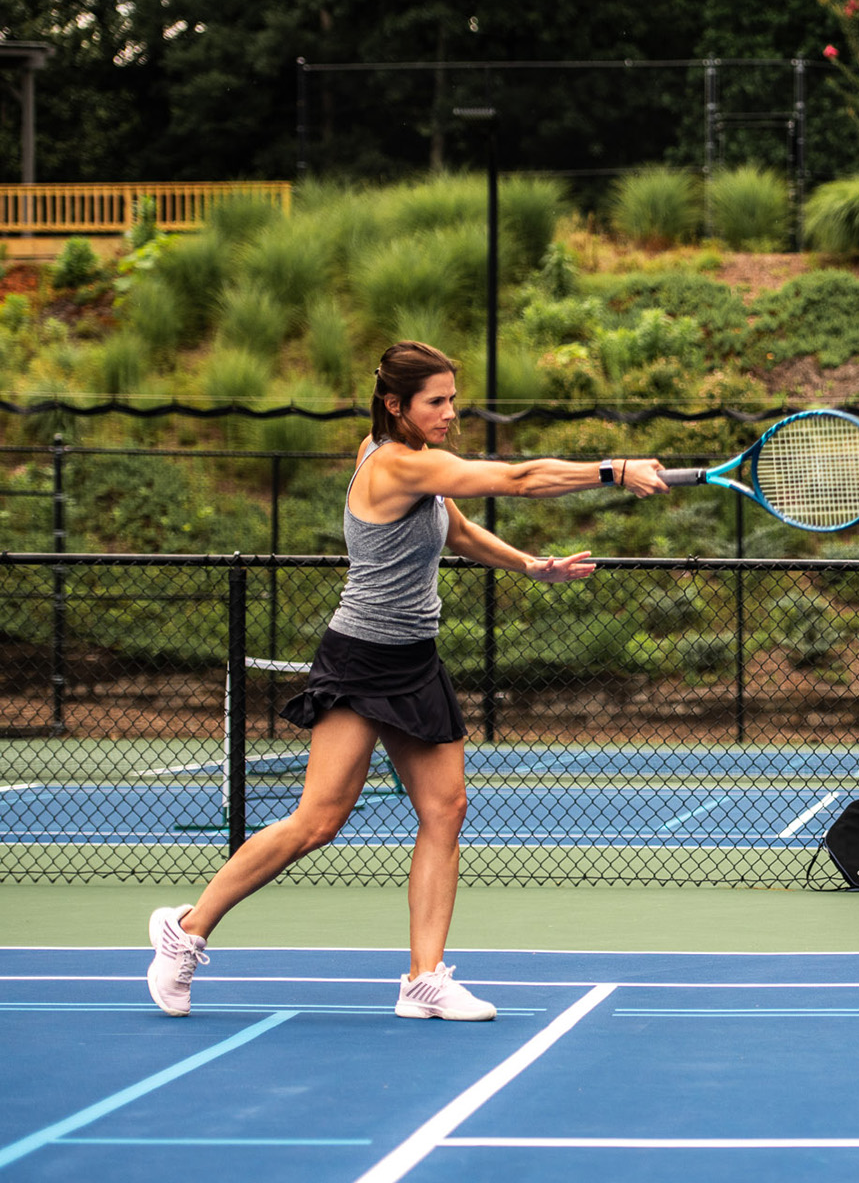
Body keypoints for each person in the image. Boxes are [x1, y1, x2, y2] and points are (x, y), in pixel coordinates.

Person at [145, 341, 666, 1021]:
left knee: (446, 810)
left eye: (453, 399)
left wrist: (530, 565)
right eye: (436, 401)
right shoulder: (394, 462)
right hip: (360, 660)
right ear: (396, 405)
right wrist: (614, 469)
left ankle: (424, 980)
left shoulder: (416, 460)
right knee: (317, 822)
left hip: (414, 659)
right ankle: (185, 931)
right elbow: (516, 479)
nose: (450, 412)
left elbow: (460, 532)